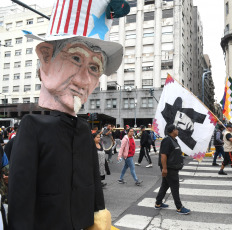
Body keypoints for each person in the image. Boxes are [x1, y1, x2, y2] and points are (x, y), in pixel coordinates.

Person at [8, 0, 130, 229]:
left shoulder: (83, 129)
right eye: (75, 58)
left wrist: (100, 219)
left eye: (94, 68)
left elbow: (94, 185)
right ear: (46, 57)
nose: (85, 81)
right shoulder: (32, 127)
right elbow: (20, 200)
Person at [155, 124, 190, 215]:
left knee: (165, 185)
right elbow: (163, 155)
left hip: (172, 167)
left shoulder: (174, 140)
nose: (178, 130)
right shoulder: (167, 140)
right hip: (170, 169)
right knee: (175, 187)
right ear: (172, 131)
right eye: (176, 129)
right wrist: (164, 168)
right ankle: (179, 207)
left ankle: (158, 203)